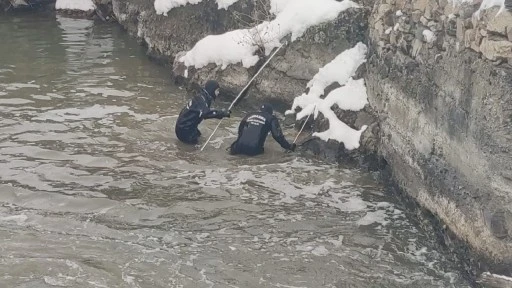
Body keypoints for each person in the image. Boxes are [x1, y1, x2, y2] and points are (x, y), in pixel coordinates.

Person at [175, 80, 230, 144]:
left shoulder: (203, 97)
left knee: (200, 136)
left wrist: (220, 112)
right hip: (185, 130)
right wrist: (222, 113)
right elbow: (206, 114)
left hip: (187, 127)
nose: (218, 93)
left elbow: (205, 111)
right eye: (217, 90)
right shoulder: (202, 99)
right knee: (194, 149)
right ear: (212, 90)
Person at [229, 103, 296, 156]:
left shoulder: (249, 115)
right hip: (254, 150)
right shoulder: (271, 118)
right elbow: (277, 135)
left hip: (237, 147)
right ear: (271, 112)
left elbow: (240, 130)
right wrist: (288, 146)